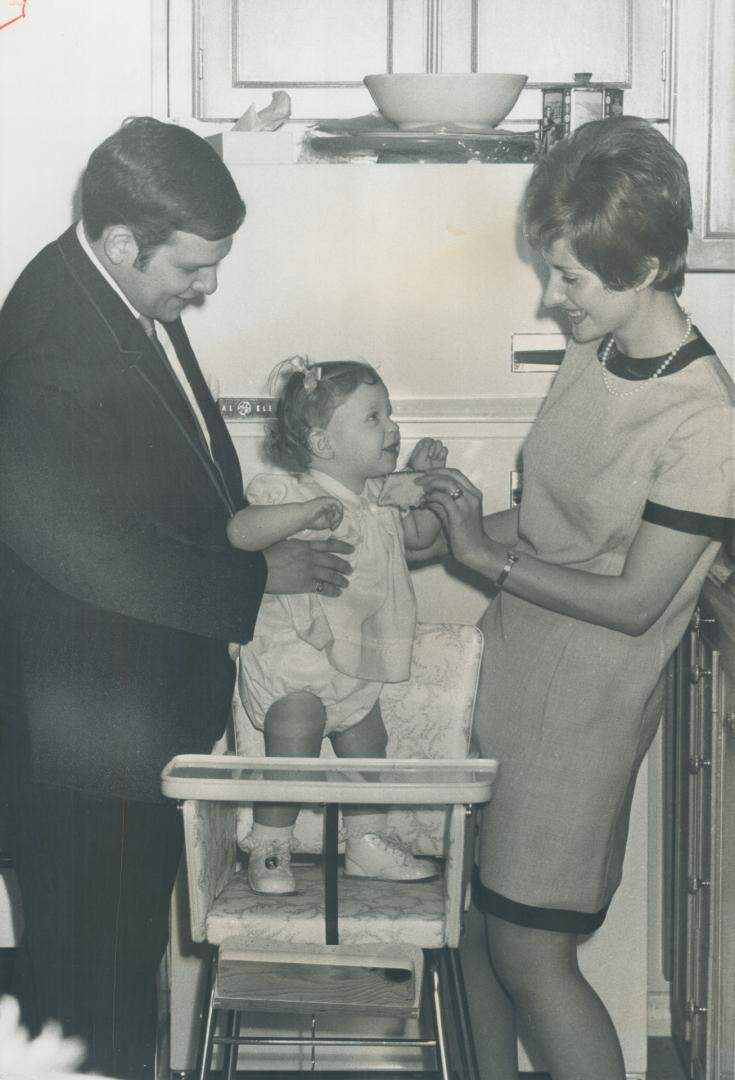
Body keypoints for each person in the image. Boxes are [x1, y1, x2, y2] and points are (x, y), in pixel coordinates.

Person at [0, 118, 352, 1079]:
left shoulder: (120, 295)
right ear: (123, 242)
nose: (206, 286)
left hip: (126, 715)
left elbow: (176, 478)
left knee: (117, 982)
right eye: (194, 266)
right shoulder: (44, 341)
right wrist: (254, 577)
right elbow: (89, 551)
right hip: (83, 737)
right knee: (91, 1001)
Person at [421, 116, 735, 1080]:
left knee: (529, 951)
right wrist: (436, 528)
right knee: (470, 930)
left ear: (644, 266)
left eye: (571, 278)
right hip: (511, 675)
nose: (553, 298)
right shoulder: (594, 352)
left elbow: (638, 598)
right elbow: (552, 521)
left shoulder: (704, 420)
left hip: (584, 714)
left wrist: (479, 556)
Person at [227, 357, 448, 893]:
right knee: (296, 732)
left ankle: (367, 841)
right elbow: (240, 532)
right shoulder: (292, 494)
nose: (391, 426)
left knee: (370, 737)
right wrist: (302, 517)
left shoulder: (379, 498)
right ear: (324, 444)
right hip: (294, 659)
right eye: (373, 417)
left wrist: (422, 483)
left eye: (390, 413)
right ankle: (271, 845)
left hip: (352, 660)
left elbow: (417, 539)